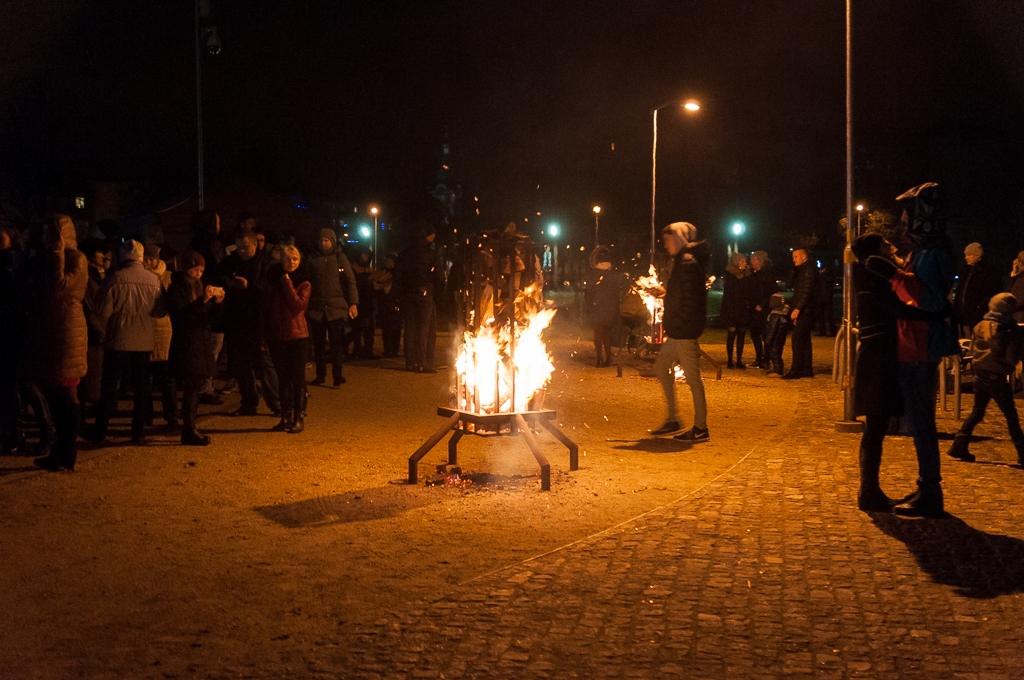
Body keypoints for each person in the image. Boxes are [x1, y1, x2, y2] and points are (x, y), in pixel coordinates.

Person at [850, 233, 941, 512]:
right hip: (879, 354)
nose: (892, 246)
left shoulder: (871, 273)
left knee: (877, 425)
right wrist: (933, 312)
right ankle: (868, 491)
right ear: (875, 250)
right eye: (885, 244)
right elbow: (893, 308)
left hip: (879, 352)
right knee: (876, 424)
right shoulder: (872, 273)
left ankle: (870, 490)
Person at [887, 182, 960, 517]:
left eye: (909, 210)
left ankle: (930, 491)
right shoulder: (925, 249)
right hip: (913, 341)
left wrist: (896, 276)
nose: (904, 216)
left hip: (921, 342)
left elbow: (929, 300)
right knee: (918, 421)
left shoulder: (932, 252)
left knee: (921, 422)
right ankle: (926, 487)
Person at [25, 215, 89, 471]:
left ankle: (67, 451)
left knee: (66, 392)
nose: (45, 238)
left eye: (50, 233)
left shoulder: (76, 258)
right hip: (47, 331)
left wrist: (57, 254)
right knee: (53, 391)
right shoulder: (44, 257)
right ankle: (59, 450)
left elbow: (58, 288)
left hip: (66, 331)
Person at [88, 239, 166, 445]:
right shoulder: (154, 280)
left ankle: (100, 429)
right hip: (143, 340)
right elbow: (160, 311)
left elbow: (103, 311)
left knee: (109, 386)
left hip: (118, 339)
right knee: (141, 388)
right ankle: (137, 432)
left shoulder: (115, 279)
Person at [649, 222, 710, 442]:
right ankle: (673, 419)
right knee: (661, 365)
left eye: (668, 239)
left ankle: (701, 428)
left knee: (693, 380)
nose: (666, 245)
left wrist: (680, 321)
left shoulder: (687, 262)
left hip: (684, 331)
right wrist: (665, 293)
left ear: (680, 238)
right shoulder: (682, 261)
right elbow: (682, 294)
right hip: (679, 330)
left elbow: (691, 301)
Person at [946, 293, 1024, 464]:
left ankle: (959, 444)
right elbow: (1011, 357)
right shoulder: (1010, 330)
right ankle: (1022, 451)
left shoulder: (981, 326)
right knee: (1011, 416)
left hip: (981, 374)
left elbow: (973, 349)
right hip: (997, 376)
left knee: (977, 412)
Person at [218, 229, 279, 415]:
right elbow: (219, 278)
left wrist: (249, 286)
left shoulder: (267, 263)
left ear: (255, 244)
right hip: (236, 319)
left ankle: (275, 402)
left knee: (263, 363)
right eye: (239, 248)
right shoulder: (229, 262)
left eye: (245, 247)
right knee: (241, 363)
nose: (242, 251)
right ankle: (248, 402)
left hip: (258, 319)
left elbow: (271, 288)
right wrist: (227, 284)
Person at [167, 251, 224, 445]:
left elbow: (208, 319)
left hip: (200, 340)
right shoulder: (176, 289)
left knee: (196, 386)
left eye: (202, 270)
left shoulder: (199, 287)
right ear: (188, 268)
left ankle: (189, 427)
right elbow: (182, 316)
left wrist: (217, 304)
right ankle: (188, 428)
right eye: (196, 270)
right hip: (186, 342)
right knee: (191, 387)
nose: (200, 274)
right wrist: (203, 302)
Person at [265, 245, 312, 433]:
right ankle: (285, 417)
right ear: (281, 260)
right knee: (282, 378)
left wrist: (286, 282)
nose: (291, 263)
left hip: (297, 336)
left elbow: (297, 305)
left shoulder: (304, 281)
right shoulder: (271, 279)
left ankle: (298, 417)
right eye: (287, 259)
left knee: (297, 378)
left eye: (295, 259)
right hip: (277, 335)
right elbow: (266, 307)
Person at [306, 228, 358, 386]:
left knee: (336, 344)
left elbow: (350, 281)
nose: (323, 243)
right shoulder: (312, 259)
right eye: (321, 240)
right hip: (317, 308)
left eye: (326, 240)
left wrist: (353, 303)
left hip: (336, 308)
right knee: (319, 345)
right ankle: (320, 376)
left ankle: (337, 376)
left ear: (332, 241)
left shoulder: (340, 257)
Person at [187, 210, 226, 406]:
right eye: (217, 220)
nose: (220, 224)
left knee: (210, 342)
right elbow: (219, 268)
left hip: (204, 294)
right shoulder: (211, 244)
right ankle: (204, 387)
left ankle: (204, 385)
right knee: (212, 343)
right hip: (211, 296)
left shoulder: (195, 242)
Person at [396, 223, 445, 373]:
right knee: (425, 330)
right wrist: (434, 293)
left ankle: (410, 363)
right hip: (425, 295)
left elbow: (397, 276)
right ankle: (423, 363)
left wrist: (400, 295)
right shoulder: (431, 254)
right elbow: (440, 277)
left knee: (410, 329)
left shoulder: (404, 254)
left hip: (408, 295)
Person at [143, 242, 177, 426]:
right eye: (145, 259)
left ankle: (171, 416)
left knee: (166, 378)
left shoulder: (169, 277)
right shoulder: (140, 277)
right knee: (144, 379)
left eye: (152, 259)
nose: (149, 262)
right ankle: (146, 415)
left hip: (164, 333)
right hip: (144, 330)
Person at [953, 242, 1003, 337]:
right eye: (966, 255)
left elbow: (993, 291)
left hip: (978, 315)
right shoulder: (966, 271)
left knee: (977, 339)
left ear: (977, 255)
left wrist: (981, 306)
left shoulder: (988, 271)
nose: (966, 257)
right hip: (965, 315)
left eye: (969, 255)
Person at [783, 248, 819, 379]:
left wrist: (797, 309)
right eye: (793, 257)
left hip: (806, 309)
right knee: (804, 338)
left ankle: (797, 369)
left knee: (797, 338)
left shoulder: (808, 271)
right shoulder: (802, 270)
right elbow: (790, 284)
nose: (793, 259)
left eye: (796, 257)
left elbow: (806, 292)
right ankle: (806, 368)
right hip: (806, 309)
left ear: (804, 257)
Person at [585, 246, 624, 367]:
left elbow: (589, 291)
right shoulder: (612, 274)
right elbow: (617, 293)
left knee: (598, 331)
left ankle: (599, 357)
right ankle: (608, 356)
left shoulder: (594, 273)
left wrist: (589, 305)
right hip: (609, 307)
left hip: (597, 306)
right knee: (605, 332)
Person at [720, 252, 752, 369]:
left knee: (741, 335)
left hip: (743, 310)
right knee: (732, 335)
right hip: (733, 310)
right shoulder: (731, 276)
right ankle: (730, 360)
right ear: (737, 263)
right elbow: (728, 295)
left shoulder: (747, 276)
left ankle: (739, 360)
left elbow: (748, 293)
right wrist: (728, 313)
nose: (745, 263)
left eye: (745, 261)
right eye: (742, 261)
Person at [747, 251, 776, 369]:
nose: (751, 261)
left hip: (763, 310)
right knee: (754, 334)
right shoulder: (752, 275)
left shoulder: (768, 275)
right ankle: (759, 358)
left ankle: (766, 360)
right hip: (753, 309)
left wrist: (763, 305)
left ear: (761, 261)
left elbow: (772, 292)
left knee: (765, 335)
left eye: (754, 259)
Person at [348, 249, 378, 359]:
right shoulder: (353, 268)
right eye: (362, 254)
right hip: (357, 302)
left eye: (366, 255)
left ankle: (368, 350)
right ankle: (356, 350)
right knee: (357, 327)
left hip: (368, 302)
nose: (364, 257)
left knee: (369, 328)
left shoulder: (370, 270)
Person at [372, 253, 402, 358]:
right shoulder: (383, 272)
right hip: (385, 305)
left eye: (390, 261)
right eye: (387, 260)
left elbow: (400, 289)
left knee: (395, 328)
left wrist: (390, 292)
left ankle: (394, 350)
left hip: (395, 304)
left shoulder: (398, 274)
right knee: (386, 328)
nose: (388, 262)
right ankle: (388, 349)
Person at [764, 293, 790, 376]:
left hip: (775, 338)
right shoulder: (783, 313)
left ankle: (778, 370)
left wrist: (768, 339)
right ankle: (776, 368)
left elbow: (773, 329)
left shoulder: (776, 315)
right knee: (777, 352)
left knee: (774, 353)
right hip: (779, 338)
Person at [814, 264, 838, 336]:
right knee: (820, 315)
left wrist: (822, 275)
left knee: (829, 315)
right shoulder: (820, 276)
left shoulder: (828, 275)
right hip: (821, 297)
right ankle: (823, 331)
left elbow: (829, 281)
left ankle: (832, 331)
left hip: (826, 297)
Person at [1007, 251, 1024, 324]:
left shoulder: (1022, 279)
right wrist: (1014, 275)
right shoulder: (1020, 277)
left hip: (1020, 317)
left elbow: (1019, 300)